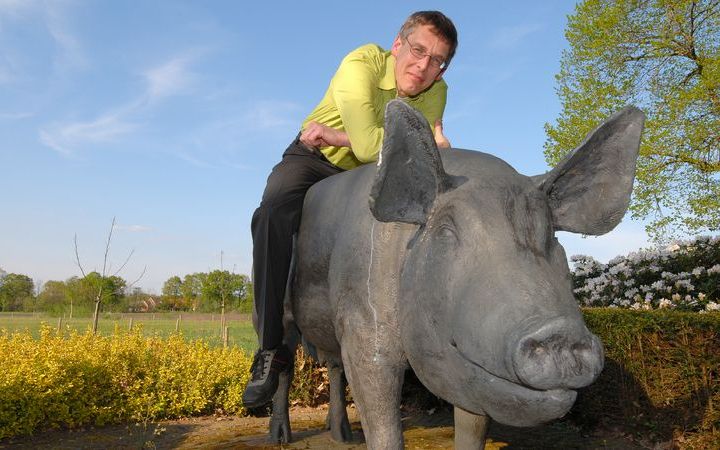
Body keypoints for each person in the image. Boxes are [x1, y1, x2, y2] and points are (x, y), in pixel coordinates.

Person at [243, 10, 458, 408]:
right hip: (315, 158)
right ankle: (271, 348)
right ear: (397, 45)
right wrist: (349, 139)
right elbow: (370, 147)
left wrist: (352, 136)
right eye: (418, 50)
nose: (424, 65)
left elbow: (410, 154)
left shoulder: (437, 91)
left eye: (437, 60)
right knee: (272, 210)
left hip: (369, 170)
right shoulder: (359, 65)